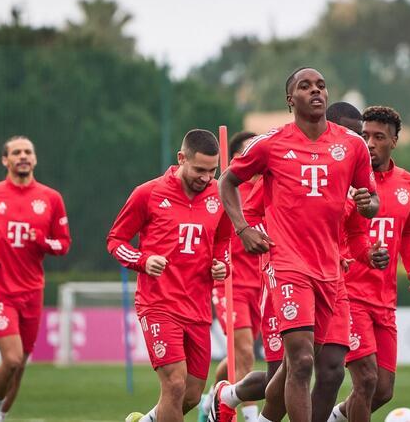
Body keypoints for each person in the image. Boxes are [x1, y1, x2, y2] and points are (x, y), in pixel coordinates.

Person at [215, 68, 379, 422]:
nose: (316, 91)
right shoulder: (270, 144)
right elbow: (226, 181)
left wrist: (369, 205)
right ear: (291, 100)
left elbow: (371, 202)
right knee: (302, 362)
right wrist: (243, 229)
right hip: (286, 265)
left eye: (321, 86)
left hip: (331, 271)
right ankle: (235, 400)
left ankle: (255, 416)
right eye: (305, 87)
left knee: (324, 368)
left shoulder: (352, 146)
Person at [107, 129, 232, 422]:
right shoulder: (147, 194)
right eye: (199, 169)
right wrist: (142, 259)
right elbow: (115, 241)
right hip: (158, 304)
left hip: (198, 307)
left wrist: (221, 264)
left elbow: (224, 242)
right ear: (181, 159)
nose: (205, 177)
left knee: (190, 394)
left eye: (212, 171)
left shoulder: (219, 194)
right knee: (174, 384)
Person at [0, 136, 71, 422]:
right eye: (16, 152)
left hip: (32, 291)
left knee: (19, 366)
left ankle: (1, 417)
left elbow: (63, 244)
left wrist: (43, 243)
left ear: (35, 159)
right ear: (5, 160)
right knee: (12, 358)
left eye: (28, 152)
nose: (23, 156)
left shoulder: (51, 198)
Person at [328, 106, 410, 422]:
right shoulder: (346, 184)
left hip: (384, 301)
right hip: (349, 295)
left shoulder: (409, 184)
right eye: (364, 136)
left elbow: (409, 232)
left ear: (394, 141)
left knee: (383, 390)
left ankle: (330, 418)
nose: (369, 143)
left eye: (378, 137)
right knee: (367, 380)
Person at [198, 131, 262, 422]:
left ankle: (208, 400)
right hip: (230, 283)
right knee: (246, 352)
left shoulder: (267, 187)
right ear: (237, 157)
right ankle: (249, 416)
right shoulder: (222, 190)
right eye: (250, 150)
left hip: (261, 286)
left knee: (238, 357)